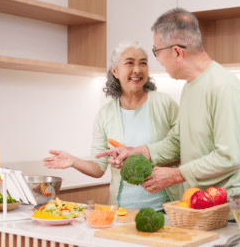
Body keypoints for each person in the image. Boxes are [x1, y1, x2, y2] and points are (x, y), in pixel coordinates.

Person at [96, 8, 240, 202]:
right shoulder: (190, 87)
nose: (156, 59)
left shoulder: (223, 86)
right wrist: (137, 151)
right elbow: (177, 141)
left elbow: (229, 157)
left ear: (177, 52)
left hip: (228, 206)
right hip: (199, 203)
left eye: (156, 51)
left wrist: (176, 175)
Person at [43, 41, 180, 211]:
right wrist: (73, 161)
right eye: (129, 63)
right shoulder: (105, 115)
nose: (137, 69)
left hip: (168, 207)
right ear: (114, 71)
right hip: (123, 209)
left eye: (143, 63)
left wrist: (143, 157)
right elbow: (98, 167)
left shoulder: (164, 103)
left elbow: (184, 149)